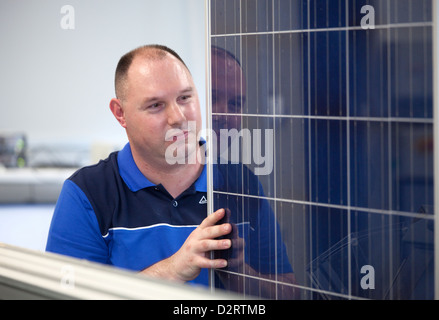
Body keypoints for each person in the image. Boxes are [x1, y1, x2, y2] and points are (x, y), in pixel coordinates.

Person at [46, 44, 296, 297]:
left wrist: (241, 274)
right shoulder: (86, 194)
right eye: (155, 105)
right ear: (120, 114)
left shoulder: (242, 184)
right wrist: (172, 270)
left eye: (185, 98)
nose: (178, 117)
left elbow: (290, 291)